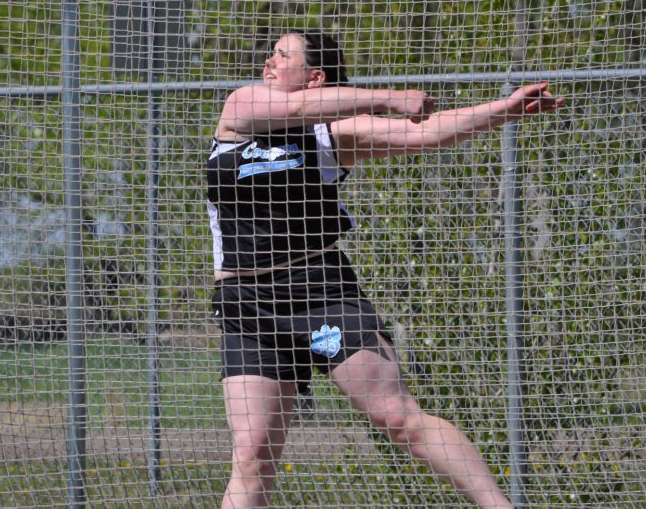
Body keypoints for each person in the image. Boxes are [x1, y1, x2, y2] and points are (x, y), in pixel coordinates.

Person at [207, 30, 563, 508]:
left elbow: (423, 134)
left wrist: (503, 111)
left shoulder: (331, 135)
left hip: (318, 292)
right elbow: (290, 111)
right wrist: (394, 97)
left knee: (398, 419)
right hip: (245, 305)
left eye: (282, 55)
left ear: (315, 77)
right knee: (252, 456)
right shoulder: (239, 113)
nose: (269, 61)